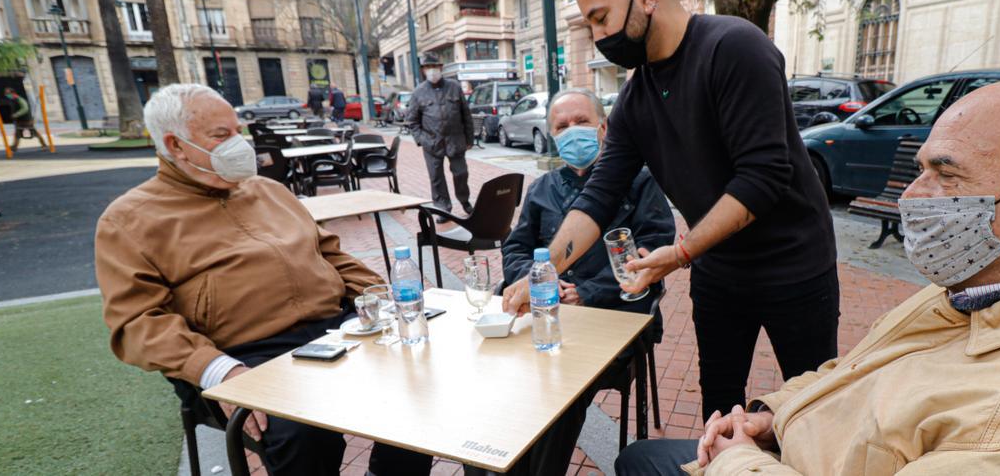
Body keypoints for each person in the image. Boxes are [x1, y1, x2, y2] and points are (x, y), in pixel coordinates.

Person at [614, 78, 1000, 475]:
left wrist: (740, 460)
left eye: (946, 176)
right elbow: (853, 375)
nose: (912, 197)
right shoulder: (992, 285)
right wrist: (773, 415)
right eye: (920, 169)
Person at [502, 0, 839, 420]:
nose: (598, 37)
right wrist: (544, 270)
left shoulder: (735, 47)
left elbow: (763, 177)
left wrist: (679, 253)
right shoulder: (636, 98)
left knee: (813, 410)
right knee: (719, 408)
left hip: (794, 267)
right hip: (718, 272)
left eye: (601, 18)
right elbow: (599, 195)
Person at [94, 84, 433, 476]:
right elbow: (136, 323)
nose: (238, 144)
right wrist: (219, 371)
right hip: (242, 353)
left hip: (334, 329)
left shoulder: (269, 191)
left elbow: (331, 254)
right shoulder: (129, 220)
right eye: (221, 136)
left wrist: (380, 299)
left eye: (238, 131)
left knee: (418, 380)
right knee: (303, 430)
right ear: (177, 145)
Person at [463, 88, 676, 476]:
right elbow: (516, 248)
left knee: (561, 391)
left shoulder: (640, 183)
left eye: (582, 122)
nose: (572, 131)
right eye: (562, 126)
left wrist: (588, 292)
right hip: (544, 318)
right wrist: (537, 281)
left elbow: (654, 253)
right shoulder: (543, 188)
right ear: (551, 135)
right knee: (490, 379)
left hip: (613, 320)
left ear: (603, 127)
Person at [409, 52, 474, 222]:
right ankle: (443, 208)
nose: (432, 71)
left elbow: (465, 114)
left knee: (461, 173)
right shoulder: (418, 93)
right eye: (428, 67)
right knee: (436, 177)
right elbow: (412, 121)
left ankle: (465, 201)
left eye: (435, 67)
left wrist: (469, 139)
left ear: (441, 68)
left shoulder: (454, 87)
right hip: (432, 142)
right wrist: (422, 139)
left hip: (455, 140)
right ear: (424, 70)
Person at [5, 87, 47, 151]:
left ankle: (44, 145)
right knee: (17, 133)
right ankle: (14, 146)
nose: (6, 94)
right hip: (19, 120)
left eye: (7, 93)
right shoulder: (13, 100)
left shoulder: (19, 99)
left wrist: (16, 114)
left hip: (26, 120)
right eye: (6, 93)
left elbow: (25, 108)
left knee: (34, 132)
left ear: (13, 93)